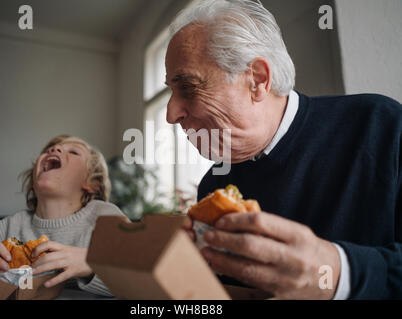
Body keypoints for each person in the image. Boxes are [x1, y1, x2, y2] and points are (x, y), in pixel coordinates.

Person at [167, 0, 402, 299]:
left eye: (187, 86)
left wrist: (339, 272)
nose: (171, 114)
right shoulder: (213, 186)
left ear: (257, 80)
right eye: (171, 92)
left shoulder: (381, 128)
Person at [0, 135, 125, 296]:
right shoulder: (13, 225)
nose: (55, 149)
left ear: (92, 183)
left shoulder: (102, 215)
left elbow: (142, 271)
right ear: (33, 184)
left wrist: (92, 263)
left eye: (73, 152)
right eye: (50, 149)